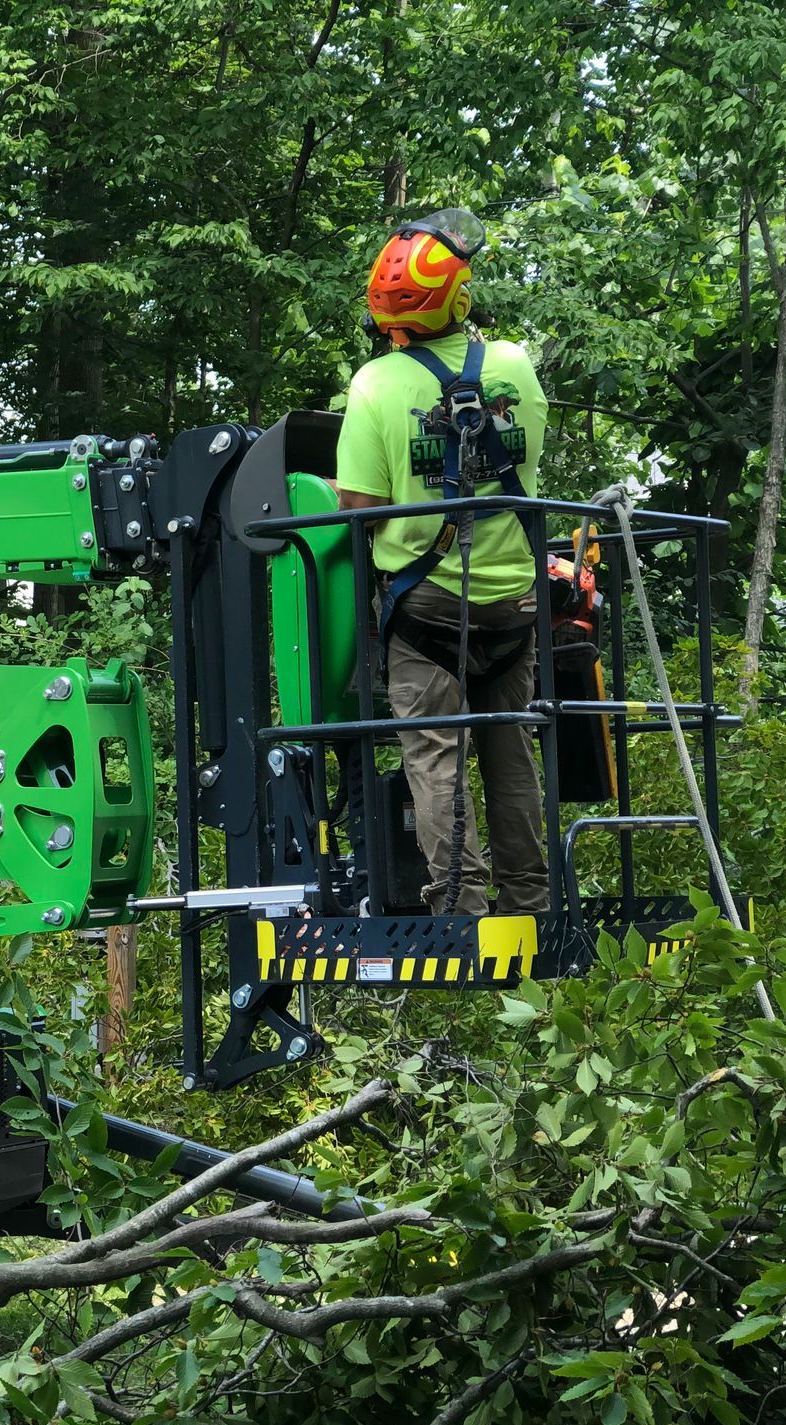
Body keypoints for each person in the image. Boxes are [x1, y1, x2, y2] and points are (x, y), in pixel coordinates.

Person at [332, 209, 550, 916]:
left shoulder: (375, 384)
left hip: (424, 608)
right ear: (459, 295)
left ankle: (460, 906)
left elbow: (357, 505)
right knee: (509, 749)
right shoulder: (513, 366)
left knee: (435, 755)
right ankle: (530, 897)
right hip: (515, 603)